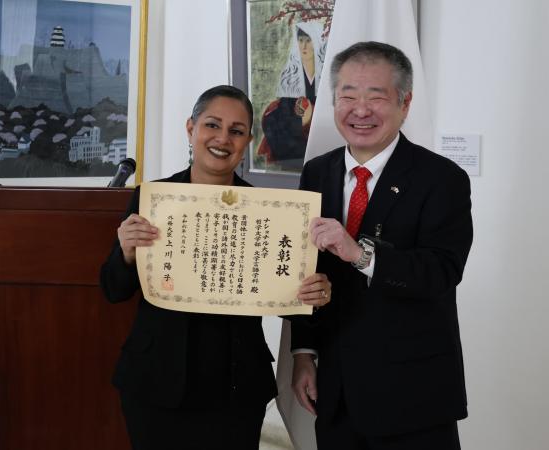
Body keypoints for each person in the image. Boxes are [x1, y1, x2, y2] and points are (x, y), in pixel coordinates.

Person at [100, 85, 332, 450]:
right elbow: (113, 289)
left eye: (236, 131)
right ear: (191, 128)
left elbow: (295, 294)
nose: (223, 138)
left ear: (248, 141)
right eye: (212, 125)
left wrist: (313, 295)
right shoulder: (151, 197)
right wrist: (127, 253)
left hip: (236, 385)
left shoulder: (272, 213)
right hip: (155, 379)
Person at [290, 42, 473, 449]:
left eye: (376, 97)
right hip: (336, 391)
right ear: (332, 101)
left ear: (405, 104)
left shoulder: (442, 179)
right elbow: (306, 270)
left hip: (413, 395)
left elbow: (441, 272)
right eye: (348, 96)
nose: (360, 110)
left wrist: (359, 254)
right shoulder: (318, 172)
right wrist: (304, 353)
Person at [257, 21, 326, 171]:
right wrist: (301, 121)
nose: (304, 46)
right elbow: (284, 108)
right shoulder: (291, 74)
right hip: (293, 129)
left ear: (317, 42)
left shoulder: (326, 76)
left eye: (308, 40)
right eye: (300, 40)